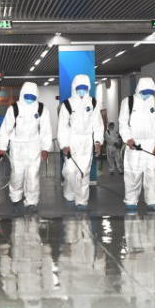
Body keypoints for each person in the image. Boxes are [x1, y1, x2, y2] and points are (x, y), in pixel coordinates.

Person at [0, 81, 53, 212]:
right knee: (17, 175)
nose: (29, 99)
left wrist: (45, 148)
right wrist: (2, 147)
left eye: (32, 96)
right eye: (27, 96)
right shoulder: (14, 109)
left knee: (33, 176)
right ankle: (16, 200)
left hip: (34, 147)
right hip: (17, 147)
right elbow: (5, 129)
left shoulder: (41, 109)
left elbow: (46, 130)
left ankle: (32, 202)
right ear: (22, 94)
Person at [57, 74, 104, 211]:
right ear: (74, 88)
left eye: (84, 88)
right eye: (79, 88)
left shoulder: (93, 103)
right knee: (70, 171)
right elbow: (62, 127)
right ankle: (69, 193)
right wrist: (64, 144)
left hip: (87, 141)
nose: (82, 90)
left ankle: (82, 200)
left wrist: (98, 142)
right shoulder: (67, 104)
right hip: (72, 140)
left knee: (84, 171)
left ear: (88, 88)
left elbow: (98, 125)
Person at [118, 76, 155, 212]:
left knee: (151, 174)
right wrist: (128, 139)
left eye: (150, 91)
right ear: (139, 89)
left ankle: (152, 200)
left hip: (151, 145)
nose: (147, 94)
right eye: (145, 91)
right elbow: (123, 123)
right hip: (134, 145)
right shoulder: (128, 102)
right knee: (133, 174)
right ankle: (131, 200)